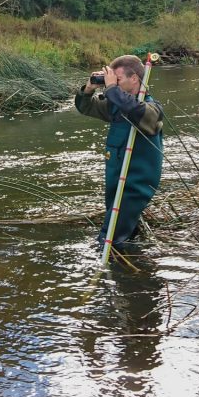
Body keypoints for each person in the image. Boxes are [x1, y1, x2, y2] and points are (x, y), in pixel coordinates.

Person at [75, 55, 163, 253]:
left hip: (134, 184)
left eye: (118, 80)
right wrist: (89, 88)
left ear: (134, 79)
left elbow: (136, 111)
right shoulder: (116, 106)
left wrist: (112, 89)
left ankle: (113, 276)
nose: (112, 84)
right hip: (116, 180)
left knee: (109, 241)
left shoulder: (152, 109)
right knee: (123, 232)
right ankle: (133, 258)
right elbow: (86, 107)